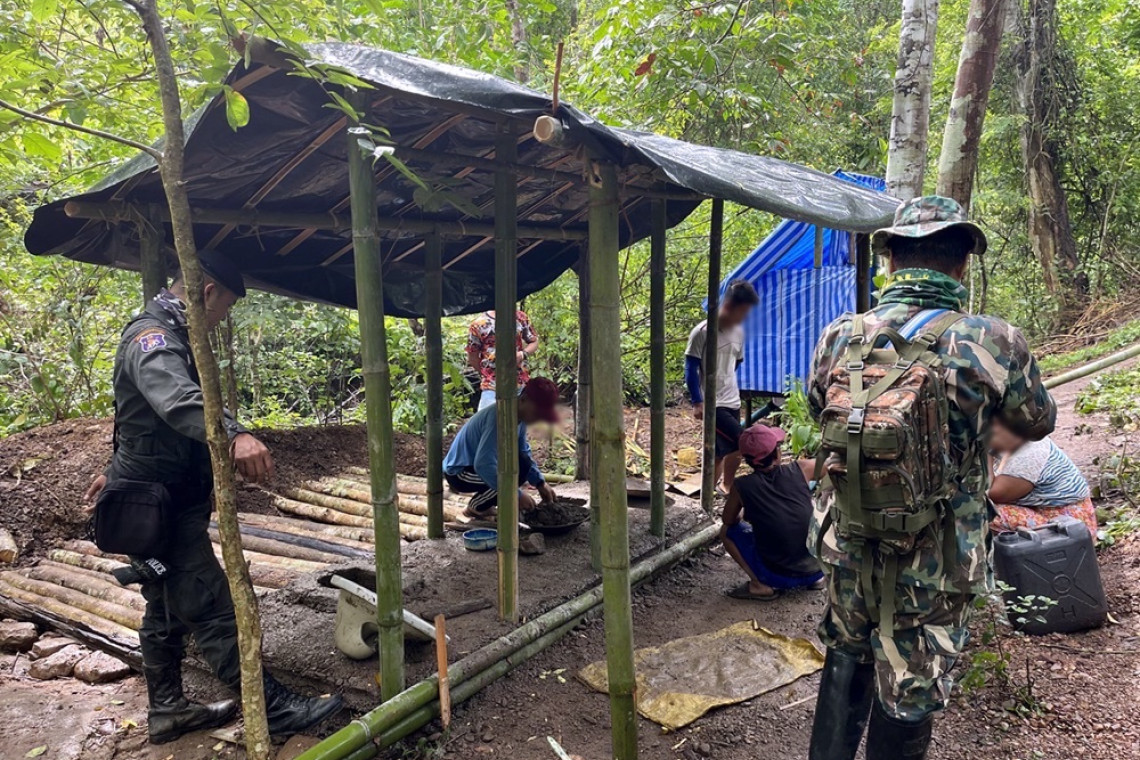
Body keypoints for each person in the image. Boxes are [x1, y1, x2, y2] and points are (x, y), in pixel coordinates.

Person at [806, 197, 1056, 760]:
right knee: (913, 681)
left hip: (849, 537)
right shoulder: (995, 340)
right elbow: (1037, 422)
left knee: (846, 649)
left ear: (891, 259)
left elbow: (820, 407)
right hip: (939, 551)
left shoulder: (841, 334)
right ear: (963, 264)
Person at [83, 251, 343, 745]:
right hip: (155, 506)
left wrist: (114, 469)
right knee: (209, 601)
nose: (222, 319)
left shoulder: (174, 334)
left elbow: (138, 422)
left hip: (164, 497)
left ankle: (167, 710)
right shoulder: (153, 338)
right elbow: (173, 400)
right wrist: (234, 433)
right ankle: (273, 709)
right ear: (207, 292)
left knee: (164, 607)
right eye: (224, 308)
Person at [720, 424, 825, 601]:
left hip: (777, 577)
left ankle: (759, 585)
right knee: (814, 508)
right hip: (818, 570)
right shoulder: (802, 469)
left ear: (746, 460)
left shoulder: (742, 486)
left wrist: (747, 510)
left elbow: (728, 520)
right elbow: (831, 465)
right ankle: (816, 579)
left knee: (726, 532)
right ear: (777, 454)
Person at [443, 376, 560, 517]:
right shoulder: (500, 417)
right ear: (523, 400)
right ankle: (476, 507)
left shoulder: (519, 417)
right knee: (510, 476)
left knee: (522, 464)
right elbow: (483, 465)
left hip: (477, 466)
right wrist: (515, 494)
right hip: (460, 473)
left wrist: (540, 483)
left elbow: (522, 452)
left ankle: (485, 501)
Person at [684, 279, 759, 493]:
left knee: (722, 451)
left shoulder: (739, 333)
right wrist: (697, 401)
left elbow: (735, 363)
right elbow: (690, 368)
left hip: (732, 400)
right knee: (739, 442)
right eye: (743, 311)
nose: (744, 317)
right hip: (712, 403)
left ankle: (723, 486)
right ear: (729, 306)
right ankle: (709, 492)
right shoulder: (702, 331)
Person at [988, 420, 1096, 536]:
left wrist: (984, 453)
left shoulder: (1027, 455)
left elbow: (988, 492)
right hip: (1048, 515)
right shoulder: (1019, 437)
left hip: (1068, 529)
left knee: (981, 511)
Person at [467, 308, 539, 411]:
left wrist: (522, 354)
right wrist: (487, 373)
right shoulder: (478, 324)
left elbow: (534, 341)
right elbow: (472, 357)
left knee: (526, 419)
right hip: (492, 385)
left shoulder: (520, 317)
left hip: (520, 383)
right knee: (487, 418)